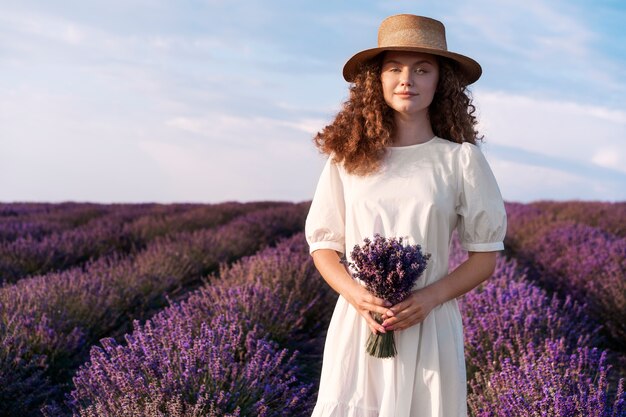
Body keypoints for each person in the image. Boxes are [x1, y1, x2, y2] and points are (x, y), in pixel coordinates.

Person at [304, 14, 507, 417]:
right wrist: (356, 295)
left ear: (440, 80)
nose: (407, 79)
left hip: (428, 324)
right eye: (394, 67)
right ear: (376, 80)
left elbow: (485, 255)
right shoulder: (347, 160)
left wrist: (428, 299)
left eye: (422, 69)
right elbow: (324, 245)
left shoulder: (460, 160)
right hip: (360, 322)